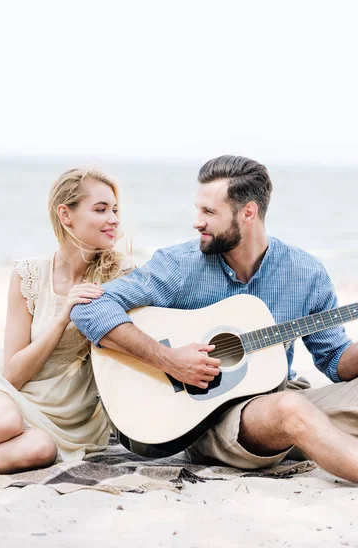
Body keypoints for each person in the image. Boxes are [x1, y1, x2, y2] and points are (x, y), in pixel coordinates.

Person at [71, 155, 358, 483]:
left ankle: (313, 438)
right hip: (211, 419)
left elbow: (336, 361)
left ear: (248, 213)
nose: (197, 221)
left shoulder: (305, 272)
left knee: (293, 405)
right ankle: (316, 437)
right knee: (289, 409)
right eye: (198, 209)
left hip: (284, 395)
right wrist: (169, 360)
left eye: (209, 212)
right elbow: (90, 308)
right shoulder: (180, 265)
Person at [0, 167, 129, 473]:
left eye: (115, 209)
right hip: (7, 391)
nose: (113, 219)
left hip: (71, 417)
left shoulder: (122, 276)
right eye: (101, 209)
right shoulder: (29, 275)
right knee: (6, 421)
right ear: (66, 215)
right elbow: (13, 374)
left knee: (40, 449)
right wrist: (64, 317)